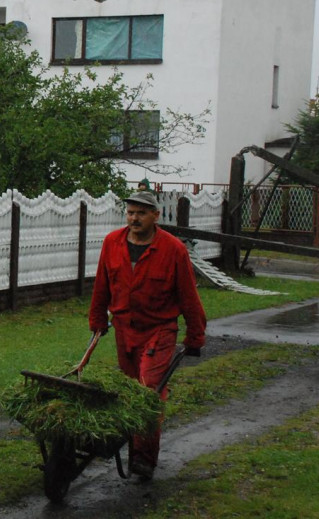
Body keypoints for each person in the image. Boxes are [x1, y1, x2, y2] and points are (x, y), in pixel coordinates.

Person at [89, 190, 206, 481]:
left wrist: (195, 336)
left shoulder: (173, 249)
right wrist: (97, 318)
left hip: (159, 330)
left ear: (155, 216)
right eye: (130, 212)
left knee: (148, 389)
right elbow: (102, 284)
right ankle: (136, 452)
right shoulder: (112, 243)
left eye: (141, 213)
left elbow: (189, 296)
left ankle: (143, 459)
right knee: (131, 392)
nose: (134, 218)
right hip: (125, 329)